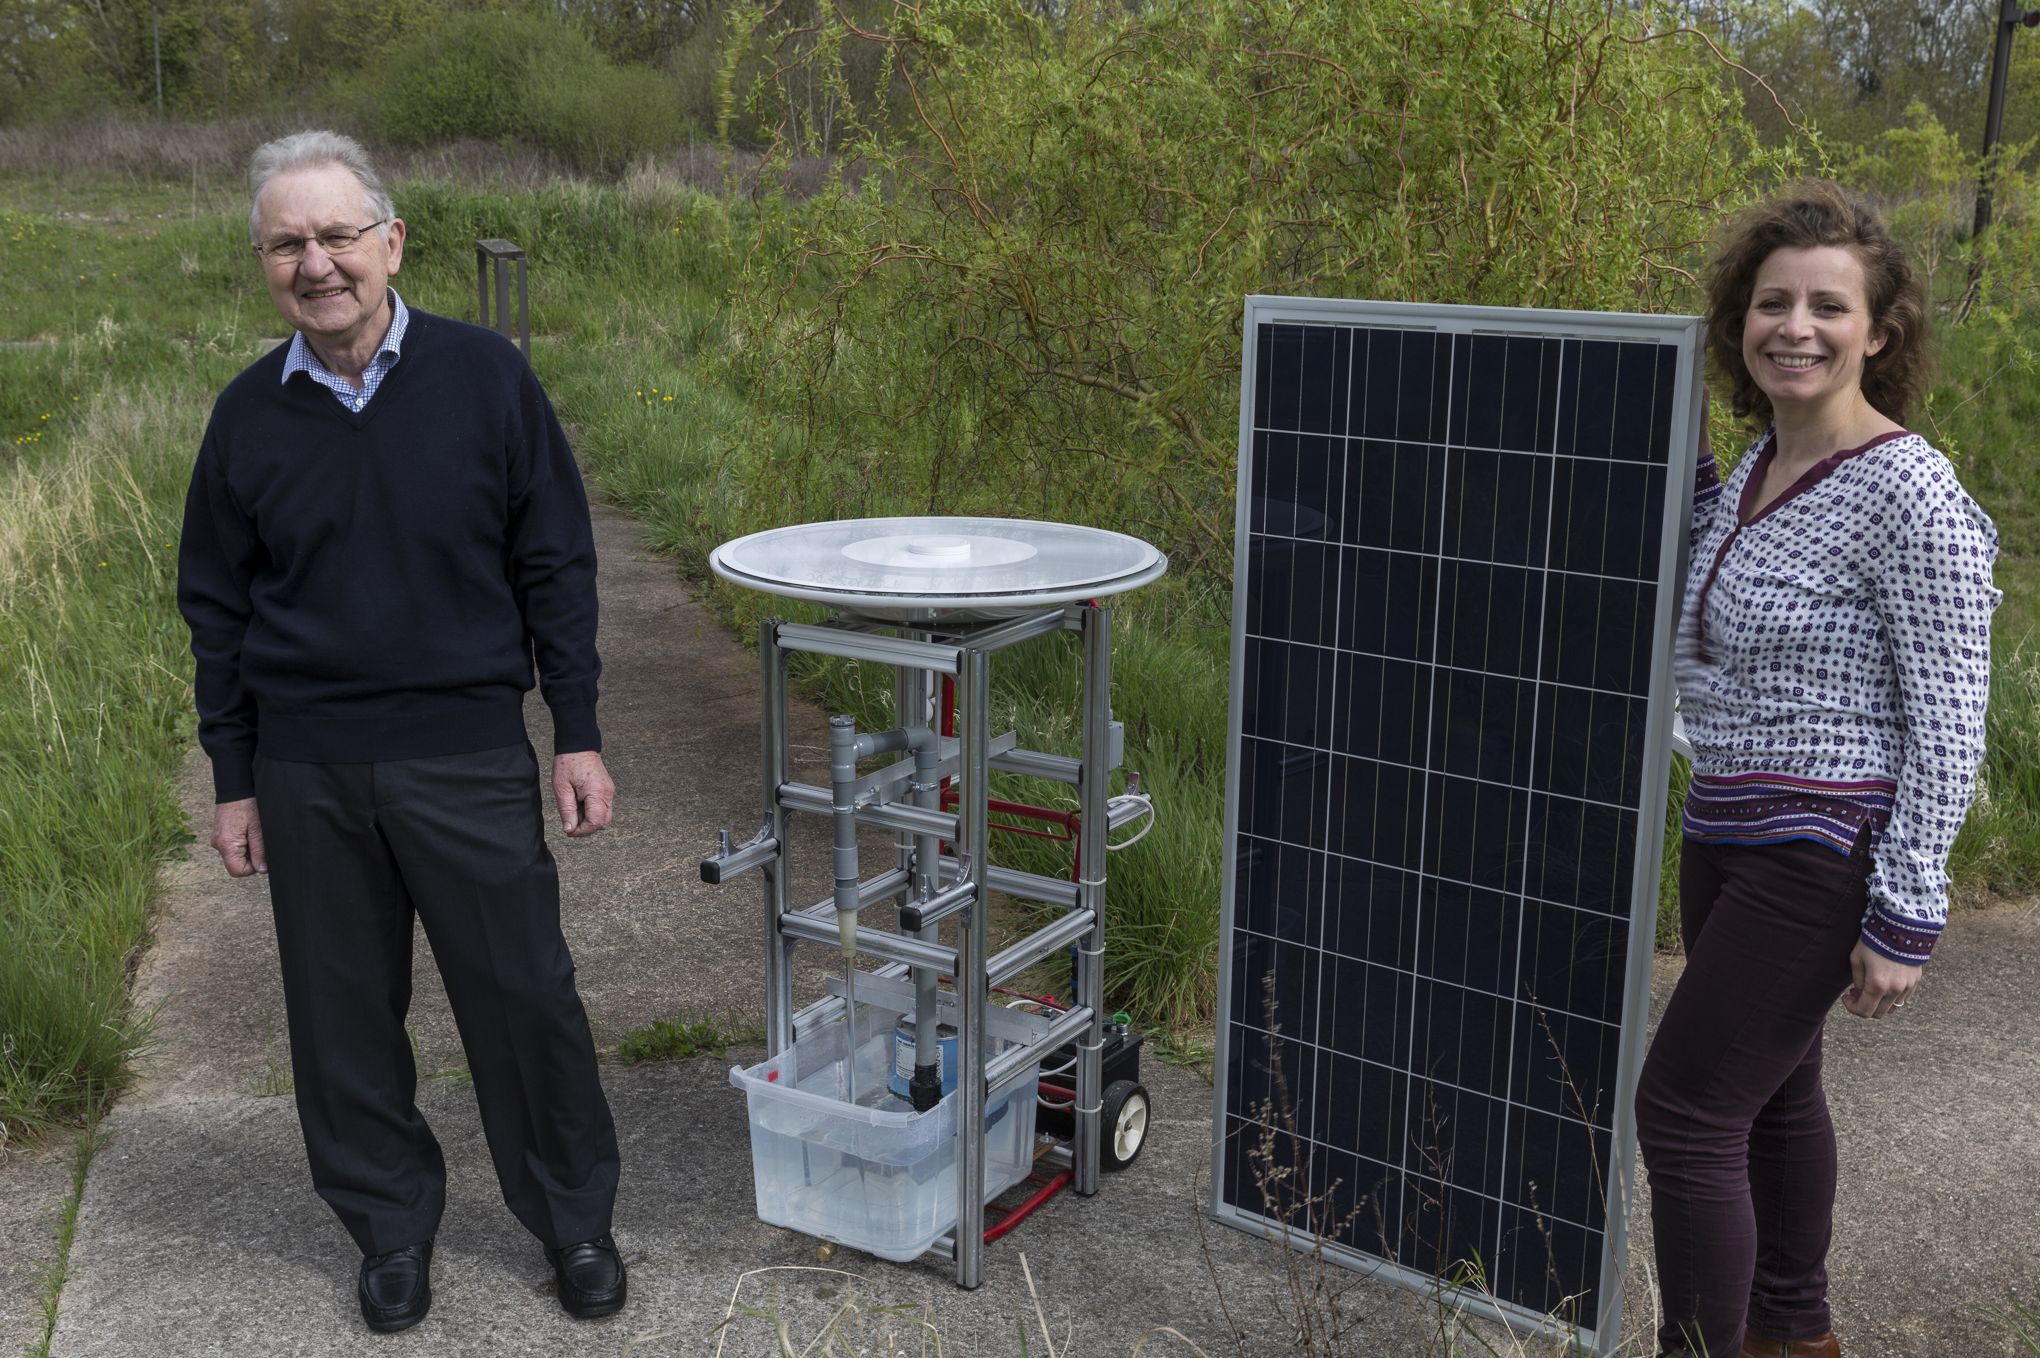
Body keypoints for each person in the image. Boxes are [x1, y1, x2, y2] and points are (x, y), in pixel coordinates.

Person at [176, 130, 627, 1333]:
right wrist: (235, 776)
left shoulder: (487, 380)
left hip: (465, 751)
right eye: (288, 243)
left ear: (392, 241)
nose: (316, 263)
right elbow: (216, 611)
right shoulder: (244, 420)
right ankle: (389, 1229)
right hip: (308, 763)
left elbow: (556, 564)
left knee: (524, 996)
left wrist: (573, 728)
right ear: (264, 261)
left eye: (336, 235)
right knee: (341, 1021)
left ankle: (575, 1218)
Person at [1634, 181, 2000, 1358]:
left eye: (1827, 307)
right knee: (1774, 1093)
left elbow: (1949, 713)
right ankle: (1795, 1333)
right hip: (1726, 825)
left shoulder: (1908, 490)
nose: (1795, 325)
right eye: (1771, 301)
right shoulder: (1748, 471)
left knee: (1685, 1111)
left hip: (1821, 844)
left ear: (1879, 333)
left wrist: (1906, 910)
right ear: (1740, 319)